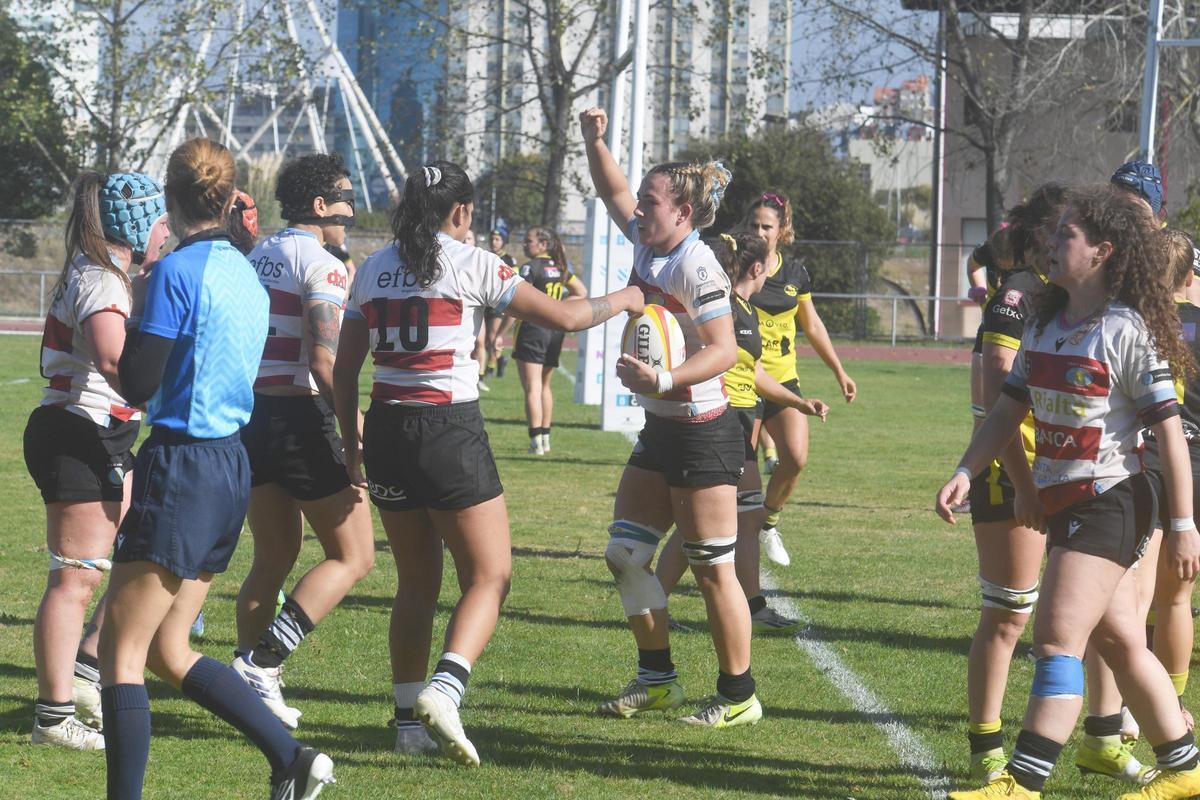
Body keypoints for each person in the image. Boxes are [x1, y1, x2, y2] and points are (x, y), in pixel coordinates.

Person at [332, 160, 642, 764]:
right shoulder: (472, 263)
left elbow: (344, 372)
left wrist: (351, 442)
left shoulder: (370, 268)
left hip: (389, 426)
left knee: (416, 584)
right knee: (490, 575)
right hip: (448, 429)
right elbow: (570, 317)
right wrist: (630, 296)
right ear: (463, 212)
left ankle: (404, 724)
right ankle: (445, 689)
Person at [937, 184, 1200, 800]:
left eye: (1067, 236)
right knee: (1119, 641)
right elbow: (1006, 411)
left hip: (1113, 500)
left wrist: (1184, 525)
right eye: (1055, 233)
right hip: (1067, 504)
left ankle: (1021, 784)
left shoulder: (1127, 330)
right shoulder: (1045, 322)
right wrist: (966, 471)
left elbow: (1170, 431)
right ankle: (1186, 768)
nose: (1052, 244)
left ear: (1103, 251)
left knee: (1056, 638)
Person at [99, 138, 333, 800]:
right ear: (230, 198)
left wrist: (140, 305)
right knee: (171, 651)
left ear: (169, 203)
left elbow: (139, 381)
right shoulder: (244, 269)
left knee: (122, 651)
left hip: (181, 461)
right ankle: (292, 757)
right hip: (230, 461)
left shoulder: (176, 272)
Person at [580, 106, 761, 728]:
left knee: (713, 572)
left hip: (705, 433)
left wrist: (661, 377)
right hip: (661, 430)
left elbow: (725, 348)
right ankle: (658, 680)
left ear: (682, 214)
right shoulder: (648, 243)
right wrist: (594, 140)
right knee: (625, 553)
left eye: (652, 204)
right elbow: (613, 189)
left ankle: (740, 697)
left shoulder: (696, 263)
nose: (640, 210)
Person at [232, 153, 375, 730]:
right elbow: (323, 359)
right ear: (319, 206)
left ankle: (252, 686)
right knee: (354, 556)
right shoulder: (322, 262)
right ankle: (262, 664)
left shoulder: (255, 253)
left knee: (273, 557)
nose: (352, 212)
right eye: (345, 198)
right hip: (302, 419)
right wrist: (354, 433)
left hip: (253, 419)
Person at [24, 171, 164, 751]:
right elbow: (113, 361)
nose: (166, 230)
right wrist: (174, 392)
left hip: (97, 434)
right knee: (74, 581)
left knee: (148, 547)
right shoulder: (103, 280)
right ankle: (54, 718)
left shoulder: (107, 271)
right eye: (158, 218)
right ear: (136, 223)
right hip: (81, 432)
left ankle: (86, 668)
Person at [654, 230, 828, 636]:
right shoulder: (724, 307)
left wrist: (799, 402)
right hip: (722, 422)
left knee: (722, 520)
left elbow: (755, 372)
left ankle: (664, 599)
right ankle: (746, 606)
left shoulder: (745, 309)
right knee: (727, 519)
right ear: (757, 267)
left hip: (740, 425)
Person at [745, 191, 857, 567]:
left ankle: (768, 523)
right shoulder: (735, 268)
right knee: (740, 473)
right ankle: (725, 546)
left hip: (784, 381)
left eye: (767, 226)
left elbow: (812, 325)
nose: (760, 232)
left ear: (782, 231)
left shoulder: (795, 274)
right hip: (744, 381)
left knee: (796, 457)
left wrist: (839, 371)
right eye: (754, 225)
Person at [1144, 230, 1200, 733]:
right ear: (1189, 278)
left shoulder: (1137, 321)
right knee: (1177, 597)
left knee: (1132, 596)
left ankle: (1130, 707)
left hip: (1150, 462)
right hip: (1197, 466)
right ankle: (1174, 704)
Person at [514, 226, 587, 454]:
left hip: (533, 330)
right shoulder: (560, 267)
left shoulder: (530, 267)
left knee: (532, 388)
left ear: (543, 245)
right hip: (554, 331)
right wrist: (558, 308)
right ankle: (545, 438)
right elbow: (581, 291)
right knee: (545, 385)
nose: (526, 245)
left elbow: (515, 295)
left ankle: (535, 440)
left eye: (529, 241)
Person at [482, 223, 516, 379]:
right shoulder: (484, 256)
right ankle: (501, 359)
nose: (494, 242)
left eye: (497, 239)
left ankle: (490, 367)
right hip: (485, 301)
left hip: (499, 302)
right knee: (485, 339)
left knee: (493, 335)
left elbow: (514, 281)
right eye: (492, 239)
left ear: (504, 241)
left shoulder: (509, 259)